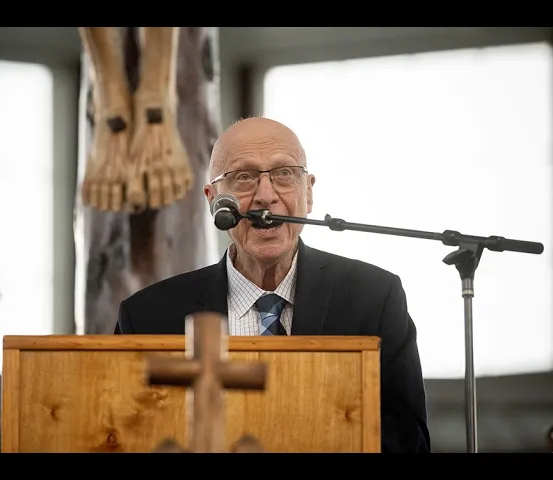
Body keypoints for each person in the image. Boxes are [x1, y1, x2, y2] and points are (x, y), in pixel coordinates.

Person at [114, 116, 431, 453]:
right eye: (244, 177)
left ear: (308, 192)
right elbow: (123, 435)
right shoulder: (147, 316)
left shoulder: (374, 300)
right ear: (213, 198)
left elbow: (407, 442)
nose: (266, 196)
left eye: (284, 174)